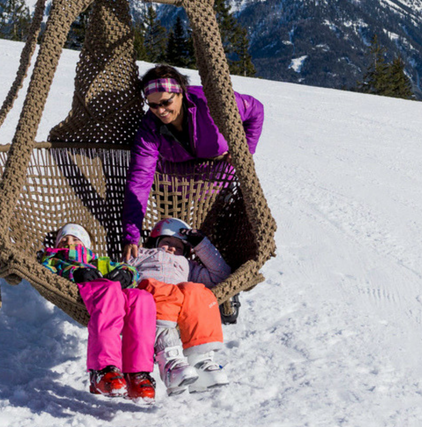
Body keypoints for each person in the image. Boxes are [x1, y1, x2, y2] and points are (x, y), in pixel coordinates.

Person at [122, 64, 264, 261]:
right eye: (153, 105)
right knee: (172, 230)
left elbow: (256, 110)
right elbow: (140, 180)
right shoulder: (150, 128)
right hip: (173, 179)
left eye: (166, 102)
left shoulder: (212, 104)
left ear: (181, 92)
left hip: (215, 175)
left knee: (210, 229)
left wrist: (245, 149)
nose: (160, 111)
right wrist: (131, 235)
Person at [38, 224, 156, 400]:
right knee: (108, 290)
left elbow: (131, 270)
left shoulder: (101, 262)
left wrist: (126, 274)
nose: (69, 242)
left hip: (115, 295)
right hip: (91, 294)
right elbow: (45, 273)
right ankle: (103, 371)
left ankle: (137, 374)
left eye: (75, 239)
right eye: (64, 239)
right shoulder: (55, 258)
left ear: (86, 244)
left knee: (142, 298)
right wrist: (75, 272)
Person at [132, 218, 232, 395]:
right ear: (155, 242)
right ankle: (170, 364)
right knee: (159, 288)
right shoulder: (140, 254)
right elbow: (120, 269)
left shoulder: (188, 265)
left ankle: (201, 362)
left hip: (179, 305)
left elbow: (221, 275)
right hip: (149, 300)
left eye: (178, 247)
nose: (171, 248)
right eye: (166, 242)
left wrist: (201, 244)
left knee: (198, 291)